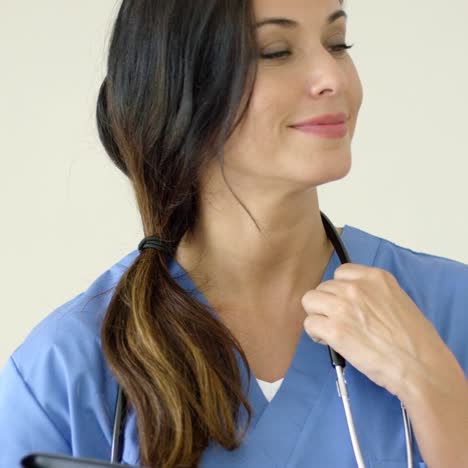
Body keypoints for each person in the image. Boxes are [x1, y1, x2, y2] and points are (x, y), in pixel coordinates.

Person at [1, 0, 467, 466]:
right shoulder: (67, 370)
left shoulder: (448, 310)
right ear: (180, 86)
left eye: (336, 44)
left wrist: (434, 389)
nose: (334, 78)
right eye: (276, 51)